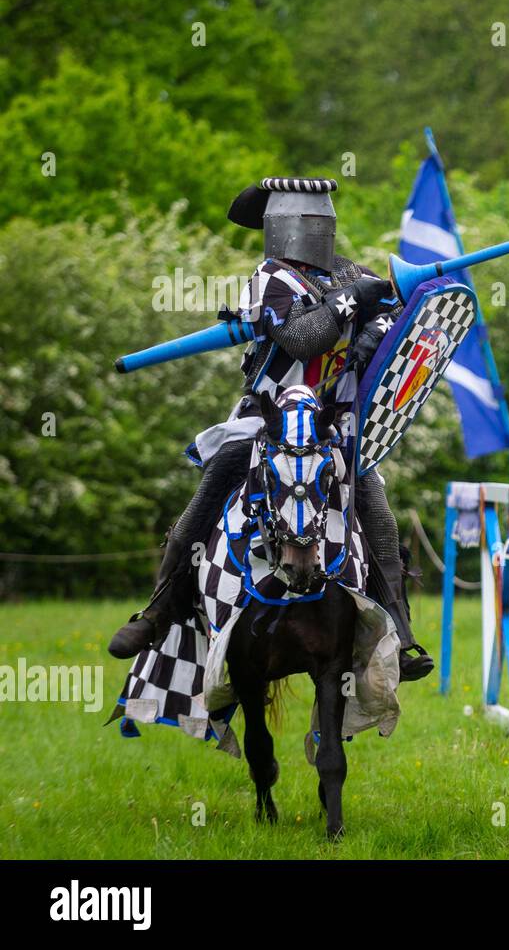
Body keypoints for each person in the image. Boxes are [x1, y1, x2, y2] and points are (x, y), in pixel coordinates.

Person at [108, 177, 434, 681]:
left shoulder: (348, 272)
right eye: (311, 218)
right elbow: (302, 338)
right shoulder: (270, 278)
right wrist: (351, 303)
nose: (318, 226)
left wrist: (373, 319)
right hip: (268, 421)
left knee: (379, 516)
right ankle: (157, 611)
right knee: (209, 497)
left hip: (329, 427)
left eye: (324, 217)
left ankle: (399, 631)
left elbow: (390, 328)